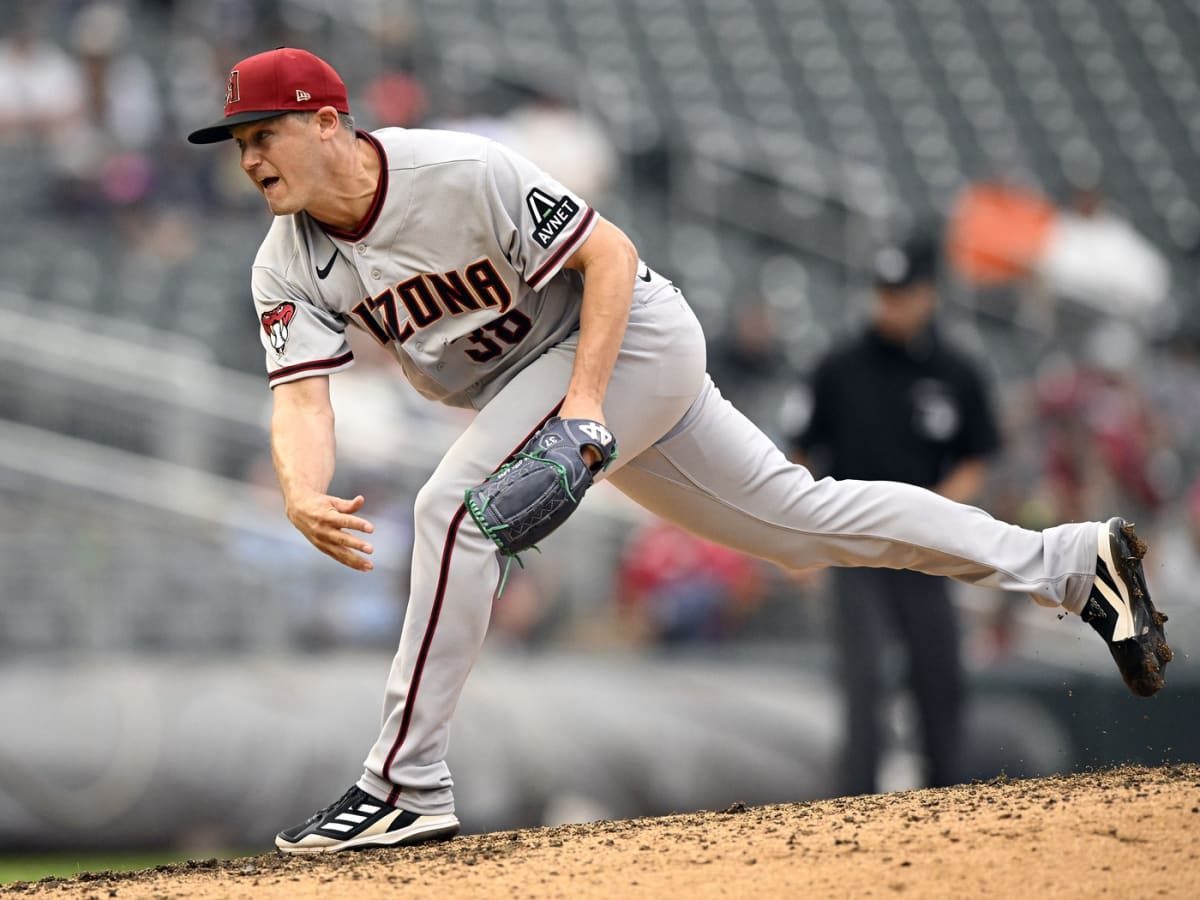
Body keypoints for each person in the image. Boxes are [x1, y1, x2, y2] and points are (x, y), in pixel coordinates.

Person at [187, 48, 1171, 853]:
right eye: (237, 145)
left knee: (453, 511)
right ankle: (1075, 563)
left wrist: (581, 406)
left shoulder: (457, 171)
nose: (249, 161)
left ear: (327, 122)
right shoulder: (287, 257)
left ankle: (403, 781)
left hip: (626, 342)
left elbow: (606, 254)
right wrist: (300, 489)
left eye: (261, 134)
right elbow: (301, 399)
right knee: (801, 525)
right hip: (550, 386)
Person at [791, 230, 1001, 795]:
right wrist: (798, 538)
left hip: (925, 550)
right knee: (864, 680)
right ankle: (857, 805)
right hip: (854, 546)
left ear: (927, 295)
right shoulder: (839, 367)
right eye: (883, 292)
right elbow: (800, 452)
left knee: (939, 675)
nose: (889, 303)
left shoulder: (956, 371)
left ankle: (945, 797)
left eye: (901, 292)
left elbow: (978, 456)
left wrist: (933, 512)